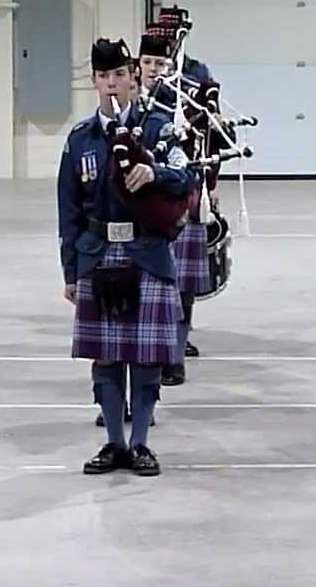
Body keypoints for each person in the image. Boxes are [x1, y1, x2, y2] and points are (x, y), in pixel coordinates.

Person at [58, 38, 195, 476]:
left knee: (147, 357)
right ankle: (113, 443)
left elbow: (187, 174)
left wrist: (155, 171)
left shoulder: (159, 129)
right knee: (107, 358)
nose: (112, 84)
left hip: (147, 253)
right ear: (94, 82)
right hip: (97, 255)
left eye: (120, 75)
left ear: (133, 76)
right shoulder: (80, 139)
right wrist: (70, 270)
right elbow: (69, 211)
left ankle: (141, 444)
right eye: (104, 77)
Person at [139, 27, 208, 388]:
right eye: (147, 62)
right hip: (142, 209)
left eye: (160, 62)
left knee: (180, 286)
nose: (153, 69)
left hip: (182, 198)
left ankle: (175, 357)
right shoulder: (131, 103)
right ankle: (155, 353)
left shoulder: (187, 100)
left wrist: (209, 189)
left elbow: (206, 145)